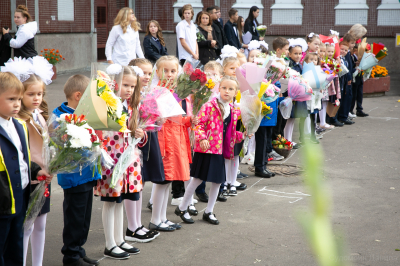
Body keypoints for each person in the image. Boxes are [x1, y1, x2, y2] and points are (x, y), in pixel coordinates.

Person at [175, 76, 246, 225]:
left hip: (221, 150)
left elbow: (230, 132)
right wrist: (202, 138)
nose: (227, 91)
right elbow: (198, 124)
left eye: (231, 89)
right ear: (219, 88)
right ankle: (182, 208)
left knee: (218, 182)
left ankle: (209, 211)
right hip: (207, 149)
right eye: (224, 88)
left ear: (236, 92)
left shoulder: (234, 109)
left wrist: (243, 135)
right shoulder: (209, 105)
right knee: (197, 179)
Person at [0, 70, 49, 266]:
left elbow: (22, 158)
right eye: (11, 99)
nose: (17, 104)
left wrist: (37, 170)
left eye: (19, 99)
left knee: (15, 247)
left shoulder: (19, 125)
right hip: (2, 199)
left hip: (20, 196)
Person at [53, 75, 101, 266]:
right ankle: (71, 256)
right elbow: (60, 144)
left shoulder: (84, 113)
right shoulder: (61, 117)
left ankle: (79, 250)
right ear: (78, 95)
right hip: (74, 176)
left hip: (87, 173)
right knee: (74, 217)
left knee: (84, 218)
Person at [149, 56, 197, 231]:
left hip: (176, 139)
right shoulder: (155, 92)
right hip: (163, 140)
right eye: (165, 70)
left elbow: (178, 119)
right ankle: (155, 219)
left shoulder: (177, 92)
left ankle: (162, 217)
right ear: (157, 72)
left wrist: (190, 119)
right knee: (161, 180)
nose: (169, 74)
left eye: (173, 71)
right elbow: (151, 120)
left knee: (167, 181)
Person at [17, 58, 53, 266]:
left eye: (39, 94)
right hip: (30, 179)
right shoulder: (20, 121)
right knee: (26, 227)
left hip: (44, 178)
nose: (36, 98)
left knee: (41, 224)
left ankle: (37, 263)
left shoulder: (39, 114)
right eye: (31, 94)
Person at [271, 37, 289, 141]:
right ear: (278, 50)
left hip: (284, 91)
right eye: (286, 49)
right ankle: (276, 140)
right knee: (278, 119)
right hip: (278, 92)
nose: (287, 52)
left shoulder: (284, 61)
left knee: (283, 119)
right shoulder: (274, 62)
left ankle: (281, 138)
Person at [338, 33, 357, 125]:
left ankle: (344, 115)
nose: (353, 45)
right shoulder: (343, 56)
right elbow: (347, 69)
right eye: (352, 43)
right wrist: (349, 77)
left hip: (347, 79)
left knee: (348, 97)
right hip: (344, 79)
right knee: (344, 98)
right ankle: (342, 116)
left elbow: (349, 67)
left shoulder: (348, 54)